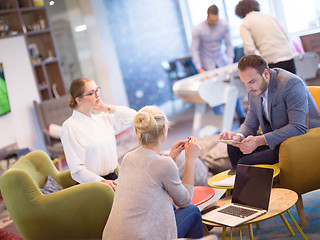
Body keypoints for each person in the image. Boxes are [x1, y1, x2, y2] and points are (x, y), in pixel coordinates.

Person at [103, 106, 204, 240]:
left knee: (171, 206)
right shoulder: (163, 164)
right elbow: (184, 201)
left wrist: (170, 158)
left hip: (111, 236)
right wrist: (190, 159)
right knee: (192, 211)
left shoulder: (128, 158)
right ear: (164, 130)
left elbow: (152, 176)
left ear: (136, 130)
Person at [219, 55, 320, 170]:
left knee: (245, 163)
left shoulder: (291, 83)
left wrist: (259, 140)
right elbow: (250, 124)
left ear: (266, 74)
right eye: (244, 83)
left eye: (251, 82)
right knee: (233, 149)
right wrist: (237, 136)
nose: (248, 89)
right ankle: (241, 187)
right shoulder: (254, 89)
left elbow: (298, 127)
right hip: (277, 139)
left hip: (299, 141)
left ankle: (254, 187)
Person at [60, 78, 136, 190]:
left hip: (113, 179)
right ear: (78, 100)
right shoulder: (69, 127)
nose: (97, 95)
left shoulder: (103, 119)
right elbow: (77, 170)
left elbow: (133, 117)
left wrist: (105, 108)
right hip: (93, 187)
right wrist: (101, 181)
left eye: (97, 90)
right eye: (91, 93)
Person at [191, 4, 246, 122]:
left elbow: (228, 44)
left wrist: (230, 60)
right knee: (212, 92)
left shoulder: (223, 25)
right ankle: (220, 120)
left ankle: (241, 115)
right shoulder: (198, 29)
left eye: (216, 20)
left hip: (222, 60)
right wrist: (199, 67)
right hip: (207, 63)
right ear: (207, 17)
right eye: (212, 21)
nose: (214, 23)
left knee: (231, 87)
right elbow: (195, 49)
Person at [235, 0, 297, 74]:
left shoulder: (245, 23)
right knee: (293, 84)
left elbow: (249, 49)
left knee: (276, 85)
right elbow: (286, 36)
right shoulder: (269, 17)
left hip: (272, 61)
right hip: (288, 56)